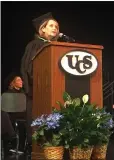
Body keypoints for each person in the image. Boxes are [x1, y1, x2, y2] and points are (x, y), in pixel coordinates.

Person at [20, 12, 60, 146]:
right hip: (38, 92)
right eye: (51, 25)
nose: (55, 28)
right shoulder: (35, 45)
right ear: (42, 29)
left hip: (55, 92)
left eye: (56, 26)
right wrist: (39, 85)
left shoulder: (56, 48)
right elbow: (29, 69)